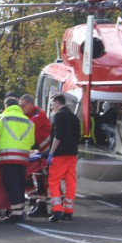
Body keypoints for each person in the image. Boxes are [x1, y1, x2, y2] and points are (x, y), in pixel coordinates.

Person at [0, 96, 35, 223]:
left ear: (6, 106)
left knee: (11, 184)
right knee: (20, 184)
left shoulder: (2, 117)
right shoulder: (28, 121)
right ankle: (19, 211)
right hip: (23, 158)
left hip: (8, 157)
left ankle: (16, 214)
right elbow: (32, 141)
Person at [46, 94, 81, 222]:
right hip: (72, 154)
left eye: (51, 104)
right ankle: (68, 211)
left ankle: (57, 210)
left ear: (57, 103)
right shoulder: (74, 117)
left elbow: (58, 136)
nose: (51, 107)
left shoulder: (59, 116)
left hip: (60, 154)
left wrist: (51, 153)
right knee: (71, 182)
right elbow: (78, 136)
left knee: (53, 181)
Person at [20, 94, 52, 218]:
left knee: (43, 178)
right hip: (37, 152)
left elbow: (28, 127)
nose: (21, 108)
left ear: (30, 104)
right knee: (30, 175)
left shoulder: (39, 114)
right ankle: (35, 202)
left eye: (23, 105)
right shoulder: (27, 114)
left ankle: (43, 206)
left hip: (45, 152)